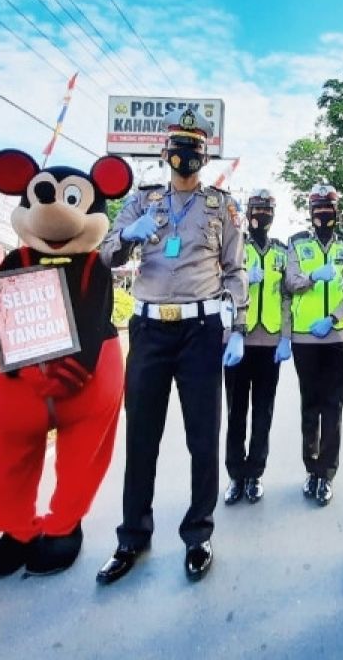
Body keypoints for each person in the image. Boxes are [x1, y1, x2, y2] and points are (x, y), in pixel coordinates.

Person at [96, 109, 248, 585]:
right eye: (178, 147)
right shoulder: (143, 201)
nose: (186, 156)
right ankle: (131, 538)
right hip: (149, 331)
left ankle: (198, 534)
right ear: (165, 154)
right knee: (142, 436)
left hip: (201, 331)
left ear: (205, 156)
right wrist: (126, 236)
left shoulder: (222, 207)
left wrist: (238, 324)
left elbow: (235, 269)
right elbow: (105, 253)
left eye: (195, 149)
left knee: (202, 437)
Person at [284, 183, 343, 506]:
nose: (323, 213)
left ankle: (326, 473)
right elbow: (291, 282)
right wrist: (315, 276)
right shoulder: (297, 245)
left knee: (334, 407)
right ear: (310, 212)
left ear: (336, 212)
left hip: (337, 336)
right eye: (318, 208)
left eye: (328, 207)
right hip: (305, 338)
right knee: (310, 405)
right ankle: (311, 469)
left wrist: (333, 316)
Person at [223, 189, 292, 505]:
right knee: (236, 411)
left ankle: (255, 475)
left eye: (267, 209)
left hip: (269, 342)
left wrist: (286, 336)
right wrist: (244, 280)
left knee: (263, 410)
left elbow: (288, 293)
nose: (261, 214)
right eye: (257, 208)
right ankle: (236, 475)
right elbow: (215, 281)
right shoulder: (235, 246)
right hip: (237, 340)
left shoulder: (281, 250)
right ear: (248, 211)